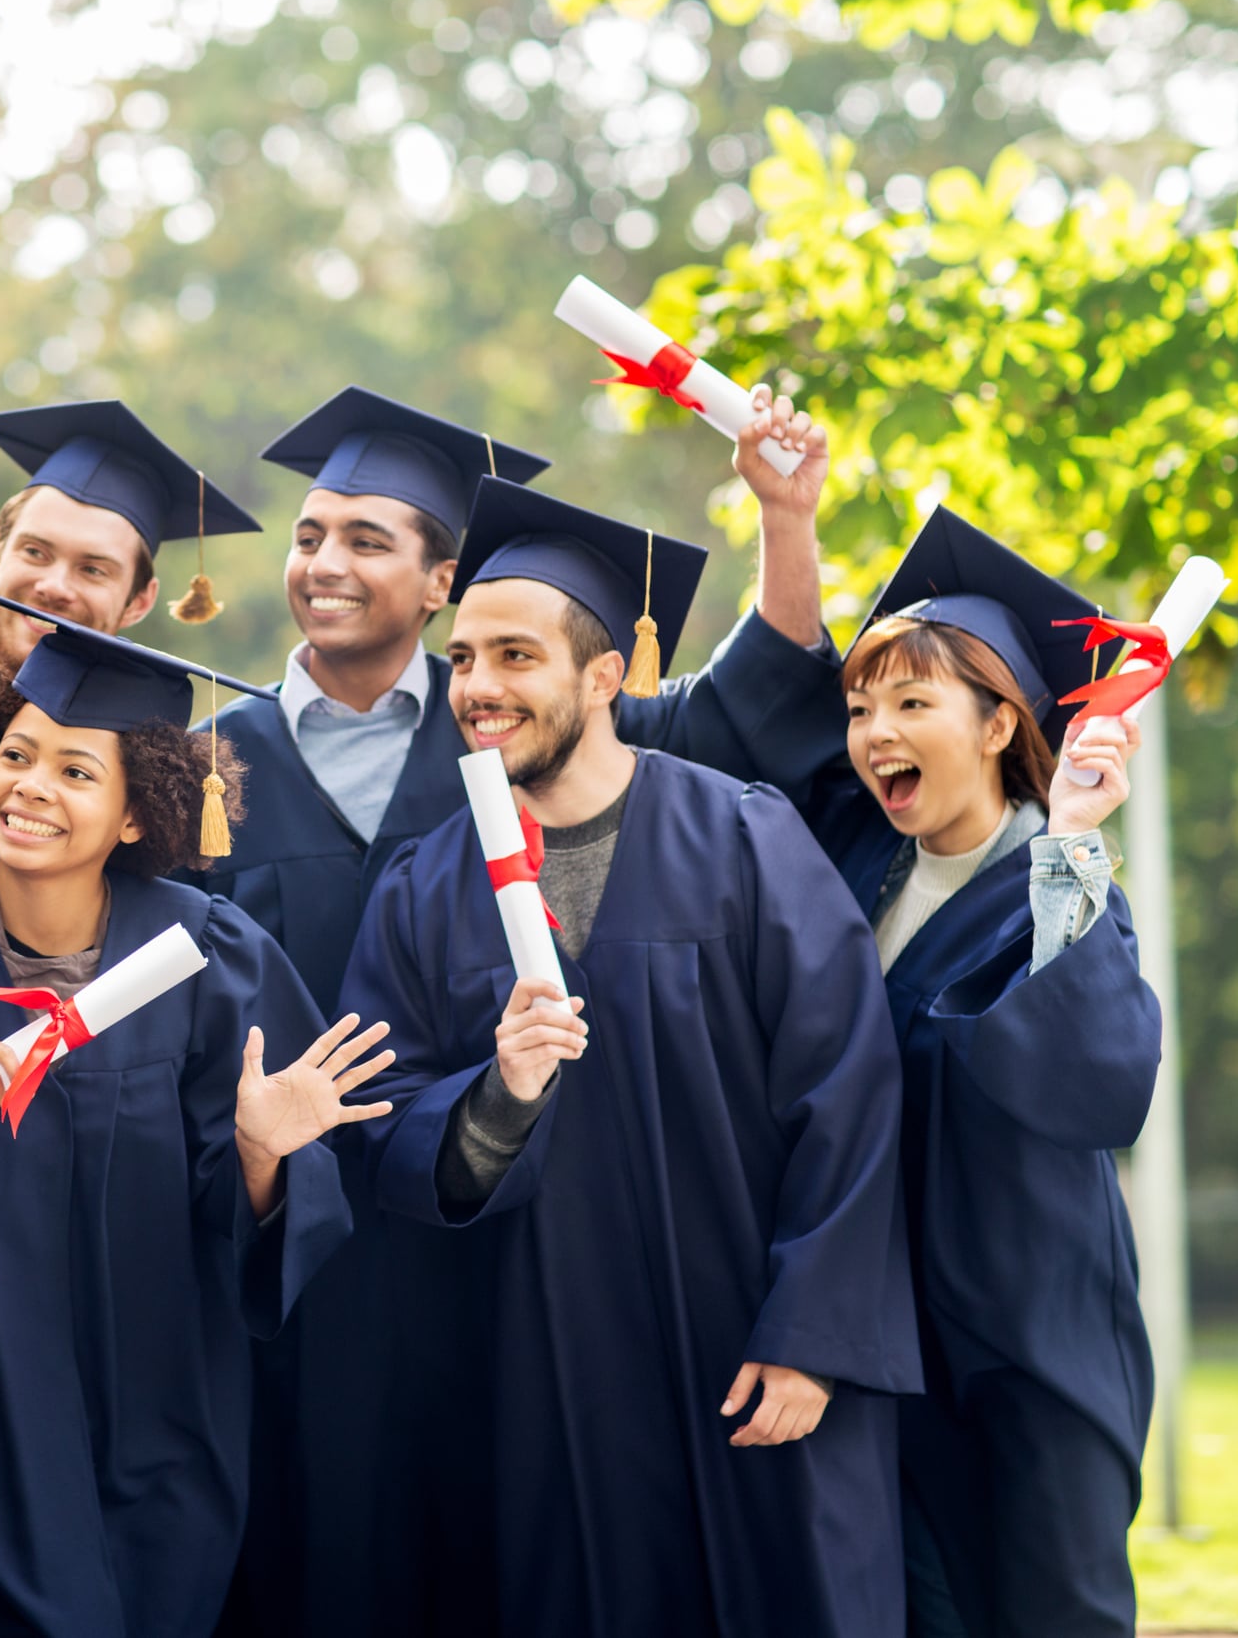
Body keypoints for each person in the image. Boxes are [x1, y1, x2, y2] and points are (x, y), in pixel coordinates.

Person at [208, 386, 853, 1638]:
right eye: (308, 534)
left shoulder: (675, 805)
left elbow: (843, 1085)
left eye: (370, 538)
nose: (483, 684)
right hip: (397, 1261)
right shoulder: (211, 771)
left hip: (649, 1278)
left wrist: (786, 516)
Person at [337, 478, 920, 1637]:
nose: (479, 689)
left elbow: (847, 1095)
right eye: (461, 662)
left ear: (604, 677)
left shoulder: (745, 837)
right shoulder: (420, 883)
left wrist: (811, 1337)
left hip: (743, 1355)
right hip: (535, 1371)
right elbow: (377, 1119)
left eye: (515, 657)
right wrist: (494, 1100)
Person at [0, 594, 393, 1637]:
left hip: (153, 1428)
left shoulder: (213, 961)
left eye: (75, 770)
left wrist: (259, 1154)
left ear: (139, 810)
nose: (31, 788)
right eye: (17, 754)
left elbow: (256, 1235)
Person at [720, 492, 1162, 1638]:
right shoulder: (852, 855)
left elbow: (1096, 1085)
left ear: (998, 724)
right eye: (863, 706)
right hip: (876, 1338)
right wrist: (783, 512)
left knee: (1044, 1613)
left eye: (912, 702)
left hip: (1027, 1340)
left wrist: (1073, 832)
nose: (872, 734)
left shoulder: (1060, 885)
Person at [0, 401, 258, 875]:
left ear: (140, 601)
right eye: (35, 552)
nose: (54, 587)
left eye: (92, 569)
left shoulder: (140, 757)